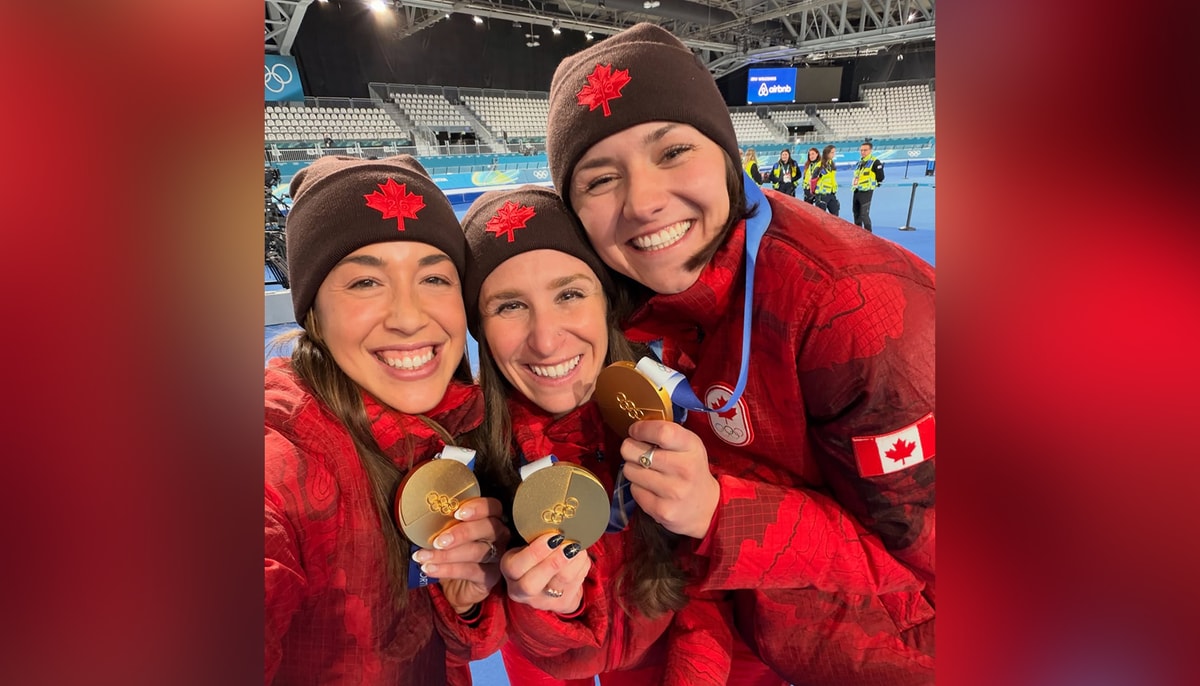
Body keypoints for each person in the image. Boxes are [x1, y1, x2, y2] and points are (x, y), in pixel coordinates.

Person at [546, 23, 935, 686]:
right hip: (765, 634)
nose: (642, 202)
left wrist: (724, 511)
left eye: (671, 152)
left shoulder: (859, 315)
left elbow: (928, 583)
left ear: (725, 155)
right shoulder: (617, 303)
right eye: (599, 179)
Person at [461, 186, 785, 686]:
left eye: (569, 294)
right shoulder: (466, 451)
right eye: (508, 306)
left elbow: (710, 587)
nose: (546, 340)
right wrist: (550, 611)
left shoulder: (678, 404)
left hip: (672, 645)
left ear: (608, 303)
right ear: (479, 328)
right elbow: (483, 639)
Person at [265, 155, 511, 685]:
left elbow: (453, 650)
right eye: (365, 284)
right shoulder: (279, 457)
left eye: (434, 278)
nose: (407, 316)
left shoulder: (453, 432)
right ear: (312, 314)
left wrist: (463, 602)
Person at [851, 140, 885, 232]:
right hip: (857, 190)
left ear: (870, 151)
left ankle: (869, 234)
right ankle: (858, 233)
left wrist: (874, 184)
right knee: (856, 213)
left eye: (865, 150)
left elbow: (881, 176)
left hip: (866, 191)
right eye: (861, 150)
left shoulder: (875, 162)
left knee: (864, 214)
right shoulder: (860, 163)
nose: (862, 152)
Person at [813, 144, 841, 216]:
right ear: (827, 153)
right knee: (821, 216)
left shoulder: (832, 164)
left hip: (831, 193)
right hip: (821, 194)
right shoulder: (819, 166)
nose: (834, 154)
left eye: (834, 152)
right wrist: (814, 192)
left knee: (836, 215)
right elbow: (813, 180)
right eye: (832, 152)